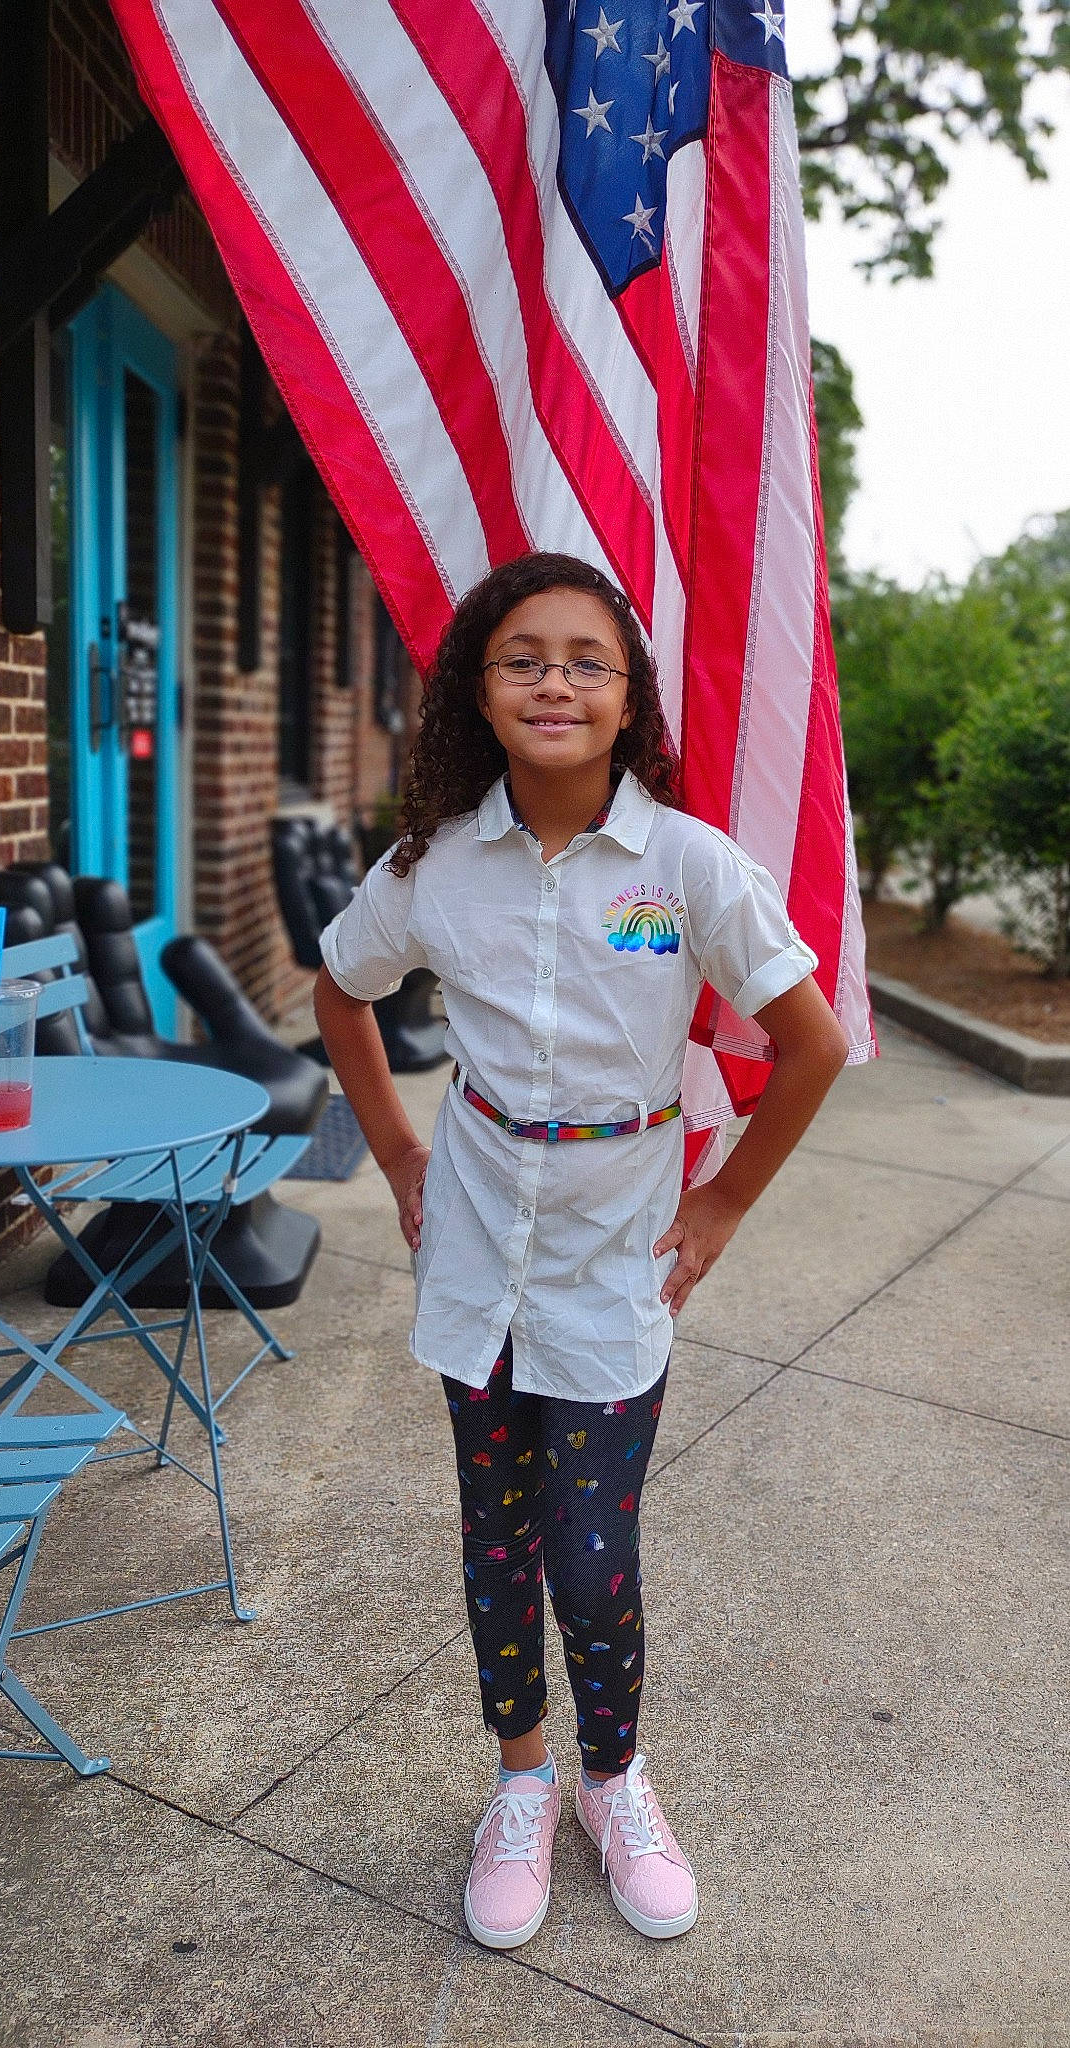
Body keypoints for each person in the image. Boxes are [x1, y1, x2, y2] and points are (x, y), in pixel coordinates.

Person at [314, 552, 849, 1952]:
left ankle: (614, 1779)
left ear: (627, 702)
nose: (554, 677)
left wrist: (722, 1202)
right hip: (478, 1238)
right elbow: (340, 986)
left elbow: (813, 1045)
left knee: (590, 1547)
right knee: (497, 1541)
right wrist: (400, 1154)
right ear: (478, 694)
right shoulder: (433, 867)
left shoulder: (685, 867)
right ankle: (523, 1785)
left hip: (616, 1258)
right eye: (522, 657)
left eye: (586, 660)